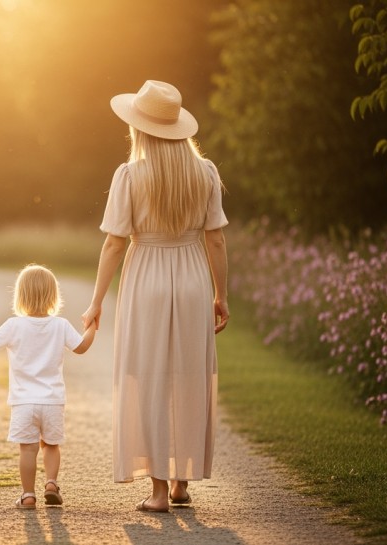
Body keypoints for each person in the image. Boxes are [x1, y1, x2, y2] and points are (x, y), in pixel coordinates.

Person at [81, 80, 230, 513]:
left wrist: (96, 300)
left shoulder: (129, 175)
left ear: (139, 129)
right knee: (187, 375)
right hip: (191, 276)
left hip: (146, 274)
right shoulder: (205, 172)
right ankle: (183, 482)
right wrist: (221, 294)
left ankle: (159, 492)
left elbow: (114, 244)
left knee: (148, 376)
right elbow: (216, 241)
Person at [0, 264, 97, 509]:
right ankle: (51, 482)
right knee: (51, 445)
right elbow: (82, 347)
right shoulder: (60, 325)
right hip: (52, 400)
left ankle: (28, 495)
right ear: (53, 296)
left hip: (23, 402)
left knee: (28, 450)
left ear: (20, 296)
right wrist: (93, 326)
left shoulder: (13, 325)